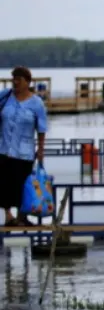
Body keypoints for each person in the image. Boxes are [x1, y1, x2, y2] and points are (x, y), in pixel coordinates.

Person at [0, 67, 48, 227]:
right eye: (13, 79)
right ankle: (8, 216)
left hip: (24, 151)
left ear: (27, 82)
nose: (15, 83)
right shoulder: (5, 96)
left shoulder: (36, 103)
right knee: (4, 183)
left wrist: (41, 149)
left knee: (23, 184)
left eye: (19, 80)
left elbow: (41, 128)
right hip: (4, 148)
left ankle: (22, 216)